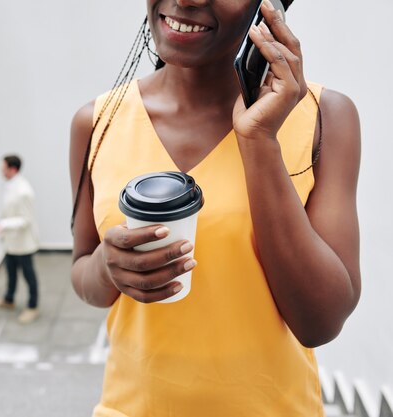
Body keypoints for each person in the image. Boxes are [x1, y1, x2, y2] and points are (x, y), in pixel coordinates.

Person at [69, 1, 361, 416]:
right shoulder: (97, 122)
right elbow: (82, 271)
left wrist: (259, 140)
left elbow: (321, 322)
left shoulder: (324, 118)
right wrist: (106, 267)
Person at [0, 155, 40, 324]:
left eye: (3, 167)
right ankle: (9, 299)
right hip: (11, 241)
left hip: (23, 242)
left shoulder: (24, 191)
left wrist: (3, 225)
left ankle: (33, 306)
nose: (0, 170)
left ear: (12, 169)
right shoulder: (10, 186)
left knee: (28, 275)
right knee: (10, 272)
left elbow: (26, 220)